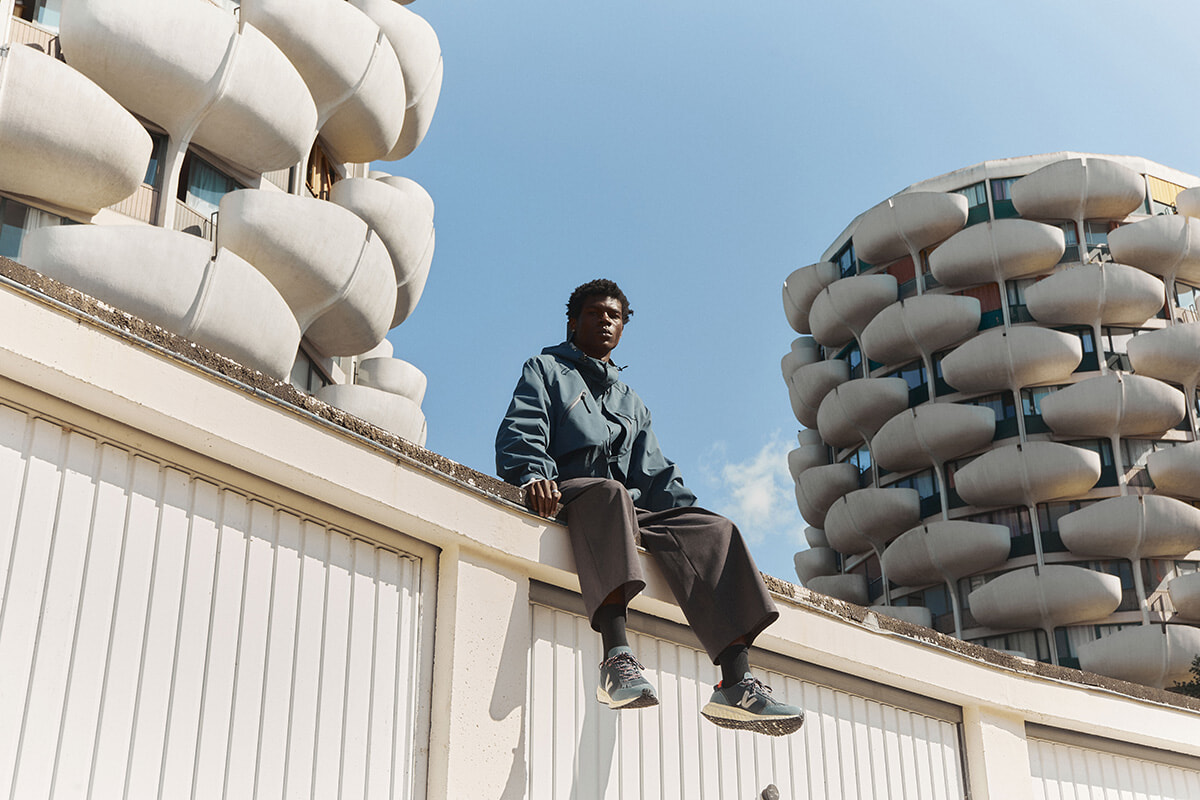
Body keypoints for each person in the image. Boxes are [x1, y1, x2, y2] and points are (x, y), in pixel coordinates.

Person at [495, 278, 803, 736]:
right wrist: (533, 474)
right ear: (573, 322)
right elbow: (523, 428)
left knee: (716, 530)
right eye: (595, 313)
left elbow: (658, 478)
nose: (605, 321)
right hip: (570, 491)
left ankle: (736, 684)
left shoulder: (630, 402)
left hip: (626, 509)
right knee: (610, 494)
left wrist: (691, 523)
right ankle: (615, 659)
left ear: (623, 328)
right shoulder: (545, 370)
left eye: (614, 316)